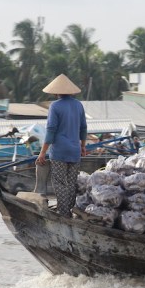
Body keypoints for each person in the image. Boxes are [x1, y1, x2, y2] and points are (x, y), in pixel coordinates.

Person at [36, 74, 87, 217]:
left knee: (59, 182)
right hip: (75, 151)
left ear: (56, 91)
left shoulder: (55, 106)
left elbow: (51, 130)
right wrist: (83, 146)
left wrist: (42, 152)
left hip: (59, 151)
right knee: (71, 183)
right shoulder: (78, 105)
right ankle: (70, 210)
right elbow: (83, 128)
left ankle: (64, 213)